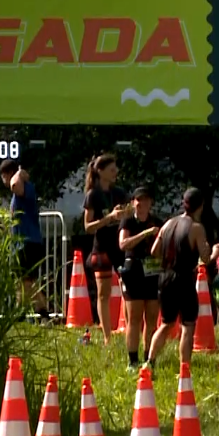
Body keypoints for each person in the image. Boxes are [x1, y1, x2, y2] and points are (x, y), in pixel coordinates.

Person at [144, 188, 211, 369]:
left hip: (165, 277)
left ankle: (149, 361)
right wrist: (212, 249)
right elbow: (205, 257)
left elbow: (154, 252)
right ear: (201, 206)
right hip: (183, 278)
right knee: (188, 326)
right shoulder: (196, 228)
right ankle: (184, 368)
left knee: (166, 323)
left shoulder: (168, 224)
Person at [83, 154, 131, 344]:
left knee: (128, 289)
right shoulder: (92, 195)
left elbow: (131, 210)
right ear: (100, 172)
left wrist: (125, 213)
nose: (116, 172)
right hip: (101, 246)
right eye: (112, 170)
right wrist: (109, 218)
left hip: (119, 246)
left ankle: (130, 330)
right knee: (103, 294)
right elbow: (87, 227)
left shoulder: (118, 192)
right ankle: (107, 337)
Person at [118, 187, 164, 371]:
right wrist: (145, 234)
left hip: (153, 271)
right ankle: (132, 360)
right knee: (134, 318)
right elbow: (123, 244)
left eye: (145, 200)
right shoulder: (128, 221)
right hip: (134, 269)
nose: (142, 204)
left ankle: (148, 358)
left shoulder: (157, 222)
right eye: (138, 200)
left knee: (152, 317)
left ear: (150, 203)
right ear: (133, 203)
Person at [0, 160, 50, 322]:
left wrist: (19, 173)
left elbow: (15, 185)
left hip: (28, 242)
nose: (4, 181)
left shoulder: (25, 187)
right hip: (23, 243)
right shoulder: (18, 194)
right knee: (26, 281)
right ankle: (43, 314)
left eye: (3, 176)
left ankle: (19, 315)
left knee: (23, 281)